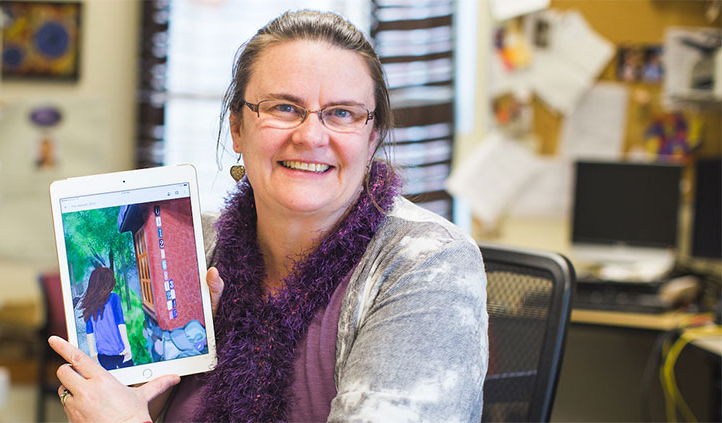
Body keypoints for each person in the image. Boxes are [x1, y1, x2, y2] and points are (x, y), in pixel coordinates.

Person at [49, 9, 488, 422]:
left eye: (341, 113)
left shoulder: (430, 263)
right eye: (284, 107)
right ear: (238, 129)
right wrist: (146, 394)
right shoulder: (198, 248)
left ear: (372, 139)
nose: (311, 136)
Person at [80, 266, 133, 370]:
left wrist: (93, 353)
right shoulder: (114, 298)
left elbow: (89, 331)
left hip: (102, 355)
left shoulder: (89, 304)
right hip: (120, 351)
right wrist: (127, 347)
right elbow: (120, 323)